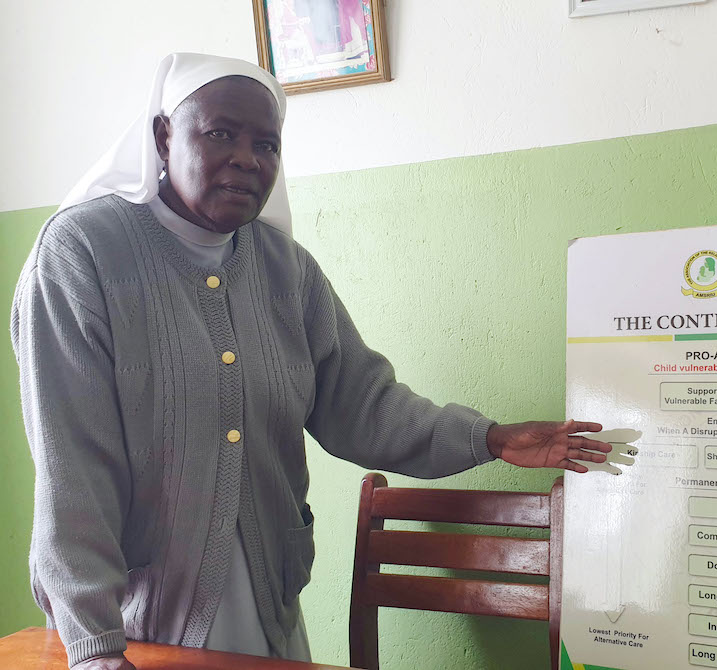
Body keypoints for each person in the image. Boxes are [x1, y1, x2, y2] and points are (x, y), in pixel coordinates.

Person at [10, 53, 613, 670]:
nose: (248, 158)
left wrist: (489, 437)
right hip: (138, 630)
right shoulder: (81, 256)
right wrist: (95, 650)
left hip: (270, 608)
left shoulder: (286, 271)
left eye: (267, 144)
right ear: (163, 136)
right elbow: (73, 475)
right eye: (221, 133)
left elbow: (366, 407)